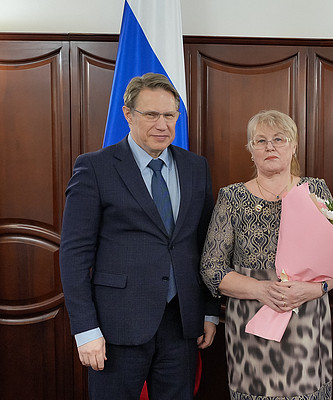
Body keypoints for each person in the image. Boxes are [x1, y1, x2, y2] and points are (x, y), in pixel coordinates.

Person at [59, 73, 220, 399]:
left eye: (170, 115)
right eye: (151, 114)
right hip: (117, 327)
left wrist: (209, 310)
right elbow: (74, 255)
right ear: (128, 114)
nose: (162, 124)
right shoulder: (95, 168)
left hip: (182, 324)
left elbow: (205, 245)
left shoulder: (196, 167)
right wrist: (85, 329)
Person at [200, 110, 333, 400]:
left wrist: (314, 289)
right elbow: (211, 268)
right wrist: (261, 290)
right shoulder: (231, 197)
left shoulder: (316, 190)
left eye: (279, 139)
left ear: (293, 146)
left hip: (306, 322)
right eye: (261, 140)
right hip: (251, 323)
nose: (270, 147)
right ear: (250, 149)